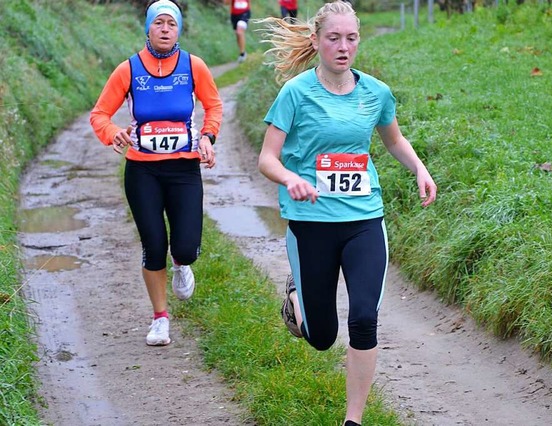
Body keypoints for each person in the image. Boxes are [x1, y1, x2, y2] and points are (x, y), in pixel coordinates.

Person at [255, 2, 437, 425]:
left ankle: (352, 420)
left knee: (363, 319)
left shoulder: (376, 92)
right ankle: (297, 297)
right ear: (316, 41)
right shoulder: (295, 93)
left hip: (363, 220)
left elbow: (393, 140)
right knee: (322, 338)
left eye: (350, 38)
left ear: (359, 40)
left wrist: (420, 169)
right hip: (311, 223)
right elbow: (268, 158)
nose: (343, 46)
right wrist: (289, 179)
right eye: (334, 38)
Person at [89, 0, 222, 346]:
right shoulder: (128, 70)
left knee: (186, 246)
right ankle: (160, 319)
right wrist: (112, 132)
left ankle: (182, 263)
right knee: (153, 244)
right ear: (147, 28)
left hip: (184, 168)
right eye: (158, 23)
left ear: (178, 29)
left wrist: (208, 137)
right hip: (142, 172)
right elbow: (99, 114)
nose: (165, 29)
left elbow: (213, 106)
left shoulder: (194, 66)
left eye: (171, 24)